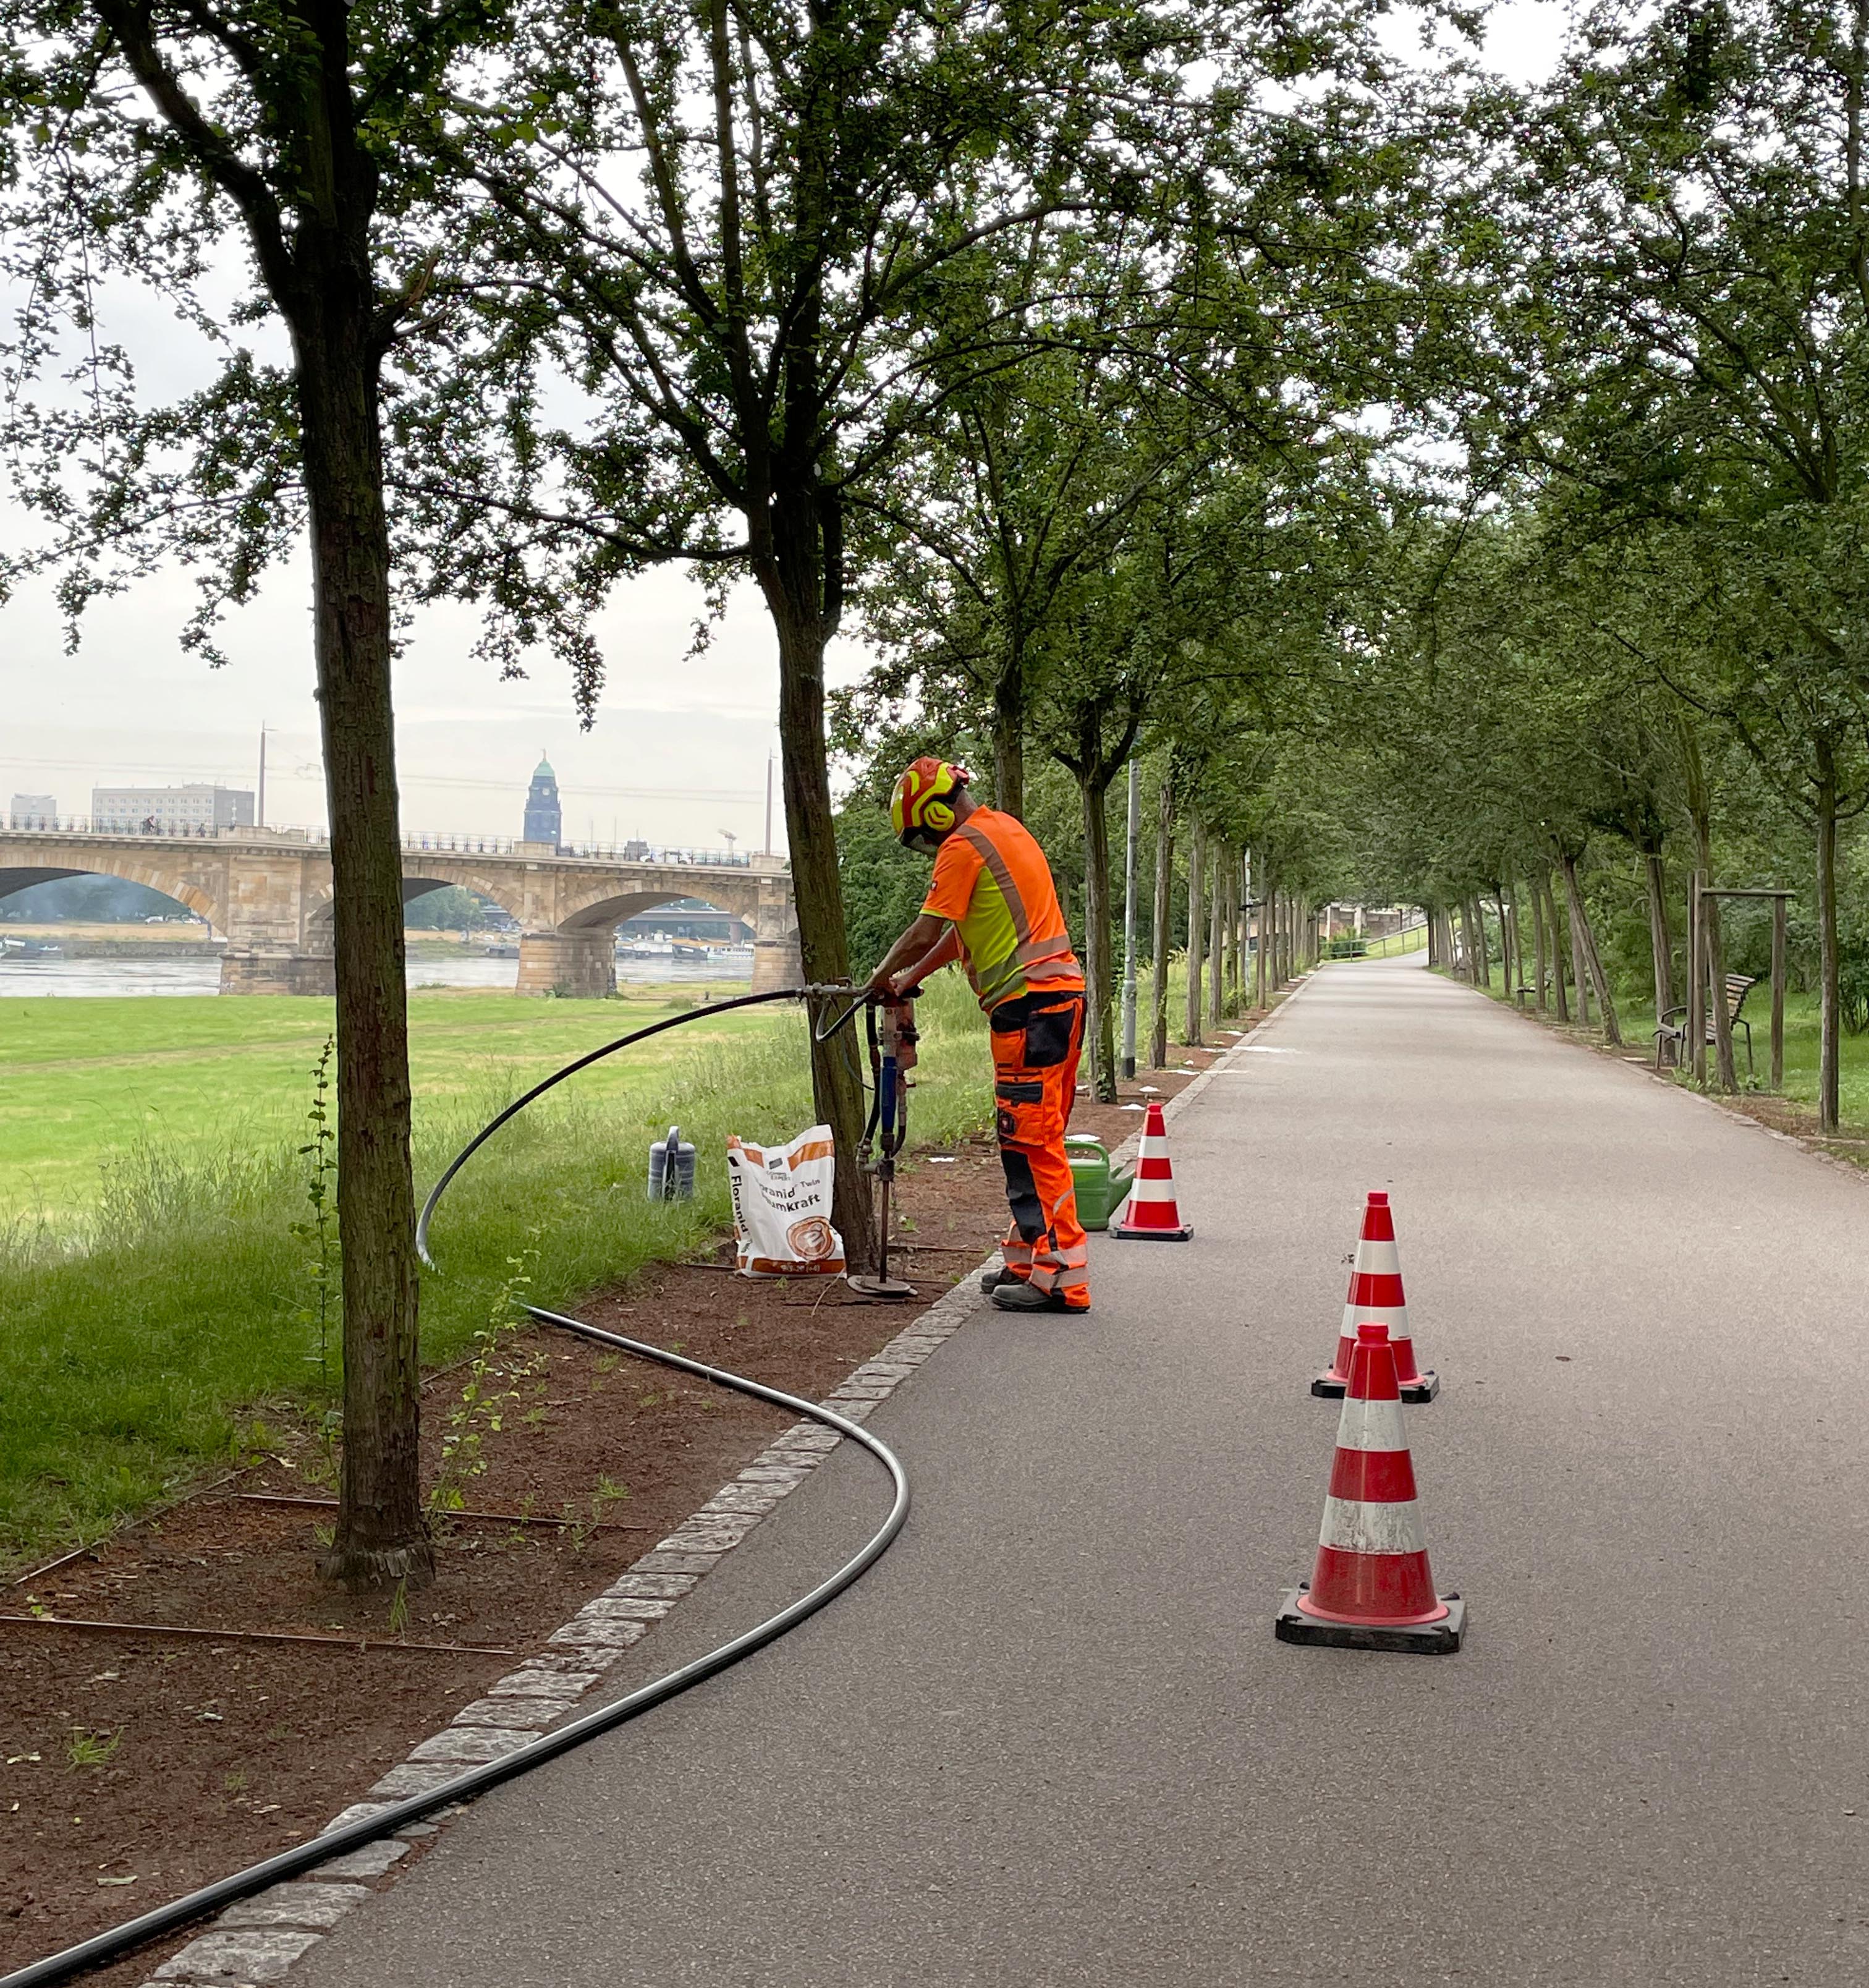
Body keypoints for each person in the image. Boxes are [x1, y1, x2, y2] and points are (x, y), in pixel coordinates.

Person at [865, 757, 1090, 1314]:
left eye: (923, 834)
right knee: (1029, 1137)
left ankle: (1061, 1278)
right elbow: (960, 932)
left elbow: (927, 930)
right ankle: (1027, 1260)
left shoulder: (963, 847)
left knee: (1033, 1141)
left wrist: (879, 977)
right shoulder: (1005, 830)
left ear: (937, 812)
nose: (926, 846)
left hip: (1028, 1010)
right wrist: (908, 980)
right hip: (1058, 1004)